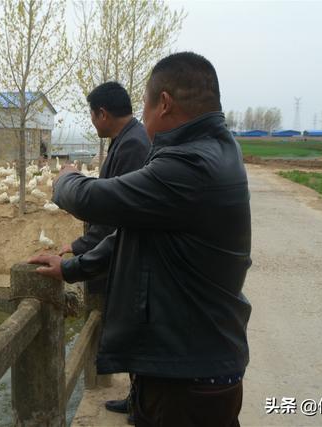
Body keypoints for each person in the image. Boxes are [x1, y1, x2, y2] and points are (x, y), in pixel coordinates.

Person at [30, 52, 252, 426]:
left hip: (189, 377)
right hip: (191, 365)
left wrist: (64, 177)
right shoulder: (212, 151)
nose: (142, 120)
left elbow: (91, 199)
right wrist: (70, 268)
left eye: (145, 108)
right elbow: (130, 236)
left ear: (163, 104)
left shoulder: (190, 166)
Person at [58, 81, 150, 424]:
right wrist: (81, 244)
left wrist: (83, 250)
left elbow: (118, 211)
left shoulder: (133, 147)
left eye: (92, 115)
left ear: (102, 113)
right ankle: (137, 395)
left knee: (130, 327)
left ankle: (142, 402)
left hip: (122, 255)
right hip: (115, 248)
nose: (93, 122)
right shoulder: (127, 141)